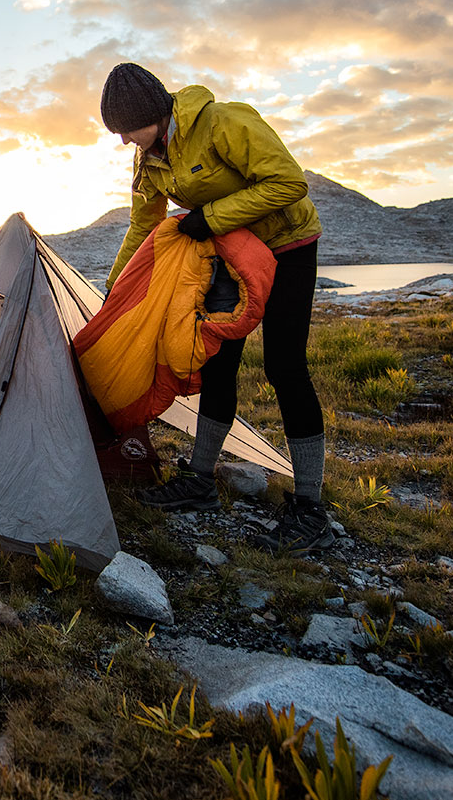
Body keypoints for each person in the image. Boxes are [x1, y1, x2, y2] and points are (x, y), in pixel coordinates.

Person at [98, 62, 332, 554]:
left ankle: (310, 507)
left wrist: (211, 216)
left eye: (126, 130)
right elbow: (144, 225)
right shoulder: (149, 159)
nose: (123, 142)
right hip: (227, 252)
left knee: (284, 367)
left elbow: (288, 183)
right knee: (218, 361)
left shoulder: (223, 121)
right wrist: (117, 288)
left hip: (287, 245)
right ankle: (201, 480)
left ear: (155, 113)